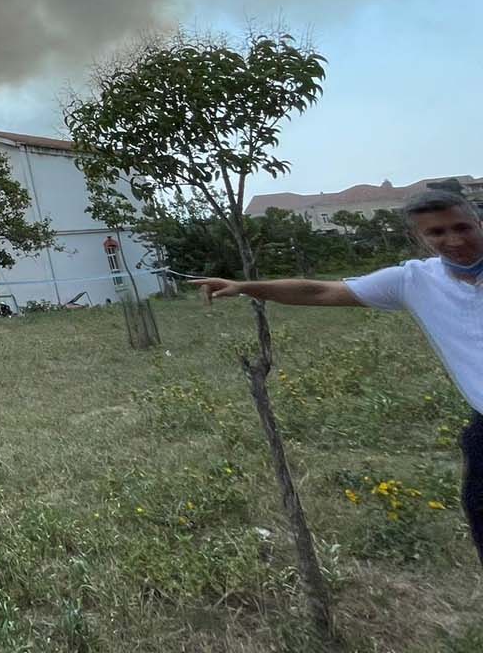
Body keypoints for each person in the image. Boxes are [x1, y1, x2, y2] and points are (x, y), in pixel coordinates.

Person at [194, 187, 483, 564]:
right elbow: (318, 291)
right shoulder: (413, 281)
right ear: (419, 238)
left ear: (479, 221)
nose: (454, 240)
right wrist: (244, 287)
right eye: (437, 233)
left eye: (462, 226)